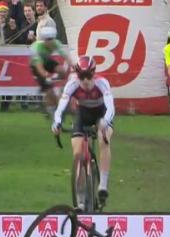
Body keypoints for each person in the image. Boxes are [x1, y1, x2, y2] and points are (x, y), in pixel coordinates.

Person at [51, 56, 114, 209]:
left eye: (88, 76)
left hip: (101, 114)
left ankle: (103, 186)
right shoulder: (72, 85)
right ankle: (80, 199)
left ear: (94, 73)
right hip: (82, 114)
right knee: (78, 153)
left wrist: (105, 122)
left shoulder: (102, 83)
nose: (85, 80)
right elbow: (61, 106)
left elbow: (111, 107)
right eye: (81, 77)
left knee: (103, 138)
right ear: (77, 75)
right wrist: (57, 121)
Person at [30, 27, 71, 117]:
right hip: (36, 65)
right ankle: (53, 114)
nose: (50, 42)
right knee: (49, 92)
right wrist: (46, 76)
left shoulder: (56, 43)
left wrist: (76, 68)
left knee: (62, 70)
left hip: (47, 60)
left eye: (52, 39)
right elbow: (39, 67)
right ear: (43, 40)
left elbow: (67, 57)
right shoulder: (37, 48)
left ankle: (61, 88)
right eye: (47, 40)